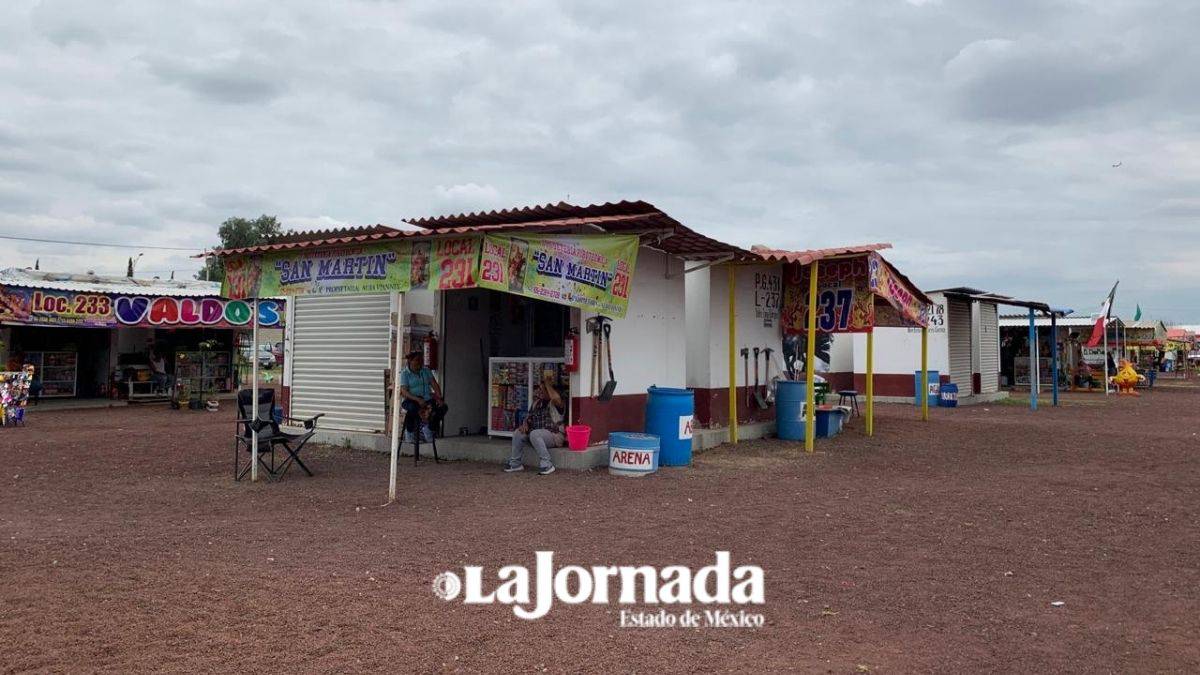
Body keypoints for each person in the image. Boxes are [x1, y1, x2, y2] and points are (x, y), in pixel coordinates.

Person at [505, 372, 565, 475]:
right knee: (518, 433)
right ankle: (515, 464)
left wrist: (547, 384)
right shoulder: (537, 403)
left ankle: (547, 464)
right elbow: (528, 418)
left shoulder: (556, 403)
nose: (540, 391)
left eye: (542, 390)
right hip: (536, 435)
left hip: (554, 435)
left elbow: (555, 398)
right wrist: (525, 425)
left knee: (535, 434)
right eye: (539, 389)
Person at [399, 350, 447, 443]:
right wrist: (417, 399)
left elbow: (434, 384)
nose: (420, 363)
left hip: (427, 399)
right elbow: (404, 391)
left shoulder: (425, 371)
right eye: (417, 360)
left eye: (421, 360)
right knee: (413, 408)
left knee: (443, 408)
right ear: (410, 361)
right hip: (411, 399)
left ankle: (429, 428)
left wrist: (439, 398)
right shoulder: (405, 373)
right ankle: (410, 433)